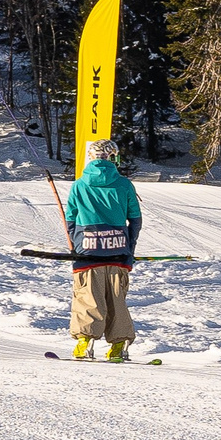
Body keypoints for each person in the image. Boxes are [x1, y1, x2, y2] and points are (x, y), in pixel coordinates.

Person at [65, 137, 143, 361]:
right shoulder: (124, 184)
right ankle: (119, 346)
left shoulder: (79, 184)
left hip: (88, 252)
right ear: (113, 157)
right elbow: (135, 220)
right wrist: (130, 248)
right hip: (118, 251)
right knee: (117, 300)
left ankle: (84, 343)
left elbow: (71, 220)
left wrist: (76, 244)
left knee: (88, 298)